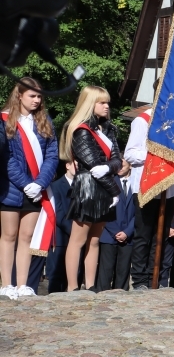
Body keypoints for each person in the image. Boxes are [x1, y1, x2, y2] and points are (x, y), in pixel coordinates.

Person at [61, 86, 124, 292]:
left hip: (105, 189)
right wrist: (115, 190)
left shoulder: (108, 129)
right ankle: (72, 287)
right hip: (88, 188)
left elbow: (117, 160)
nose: (107, 106)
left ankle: (90, 285)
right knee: (78, 240)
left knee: (95, 239)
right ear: (90, 104)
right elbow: (93, 165)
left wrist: (109, 168)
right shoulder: (81, 131)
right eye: (102, 102)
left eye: (107, 102)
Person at [0, 78, 59, 299]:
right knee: (9, 235)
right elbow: (6, 158)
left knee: (27, 237)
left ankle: (22, 284)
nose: (36, 100)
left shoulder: (44, 121)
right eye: (32, 96)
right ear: (19, 95)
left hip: (36, 188)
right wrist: (26, 184)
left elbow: (52, 155)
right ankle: (6, 284)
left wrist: (40, 183)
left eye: (39, 96)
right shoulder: (4, 120)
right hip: (11, 188)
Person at [125, 98, 174, 291]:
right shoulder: (142, 121)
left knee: (161, 235)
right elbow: (130, 153)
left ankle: (154, 277)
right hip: (145, 186)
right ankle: (139, 280)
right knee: (143, 235)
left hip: (169, 187)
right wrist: (155, 157)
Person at [96, 166, 134, 291]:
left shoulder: (137, 183)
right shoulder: (109, 182)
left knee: (123, 274)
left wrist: (127, 232)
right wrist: (115, 231)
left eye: (122, 165)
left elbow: (140, 213)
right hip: (109, 234)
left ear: (130, 165)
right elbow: (103, 209)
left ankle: (121, 299)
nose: (119, 168)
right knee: (105, 273)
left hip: (128, 237)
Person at [46, 160, 74, 293]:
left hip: (76, 239)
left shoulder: (82, 184)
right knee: (56, 275)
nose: (78, 167)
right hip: (59, 238)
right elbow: (57, 212)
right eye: (75, 164)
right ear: (67, 166)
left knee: (75, 274)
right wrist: (74, 231)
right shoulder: (55, 186)